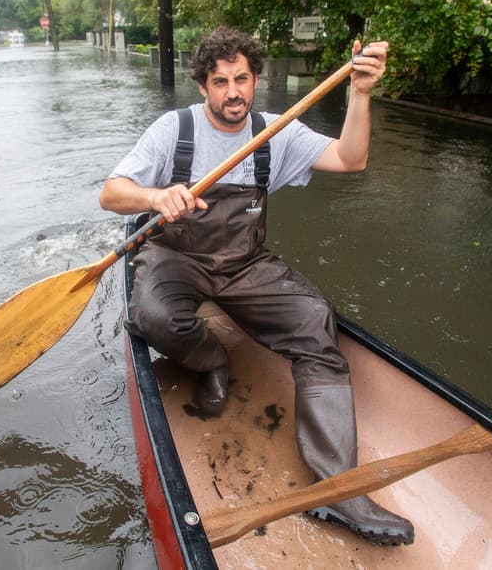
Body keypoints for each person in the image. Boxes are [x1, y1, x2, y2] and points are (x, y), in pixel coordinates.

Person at [98, 27, 414, 546]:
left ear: (256, 78)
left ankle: (337, 487)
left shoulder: (277, 131)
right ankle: (212, 359)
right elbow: (111, 195)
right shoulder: (171, 131)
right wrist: (156, 198)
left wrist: (360, 95)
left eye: (241, 78)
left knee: (316, 319)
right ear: (203, 87)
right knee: (153, 316)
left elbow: (350, 159)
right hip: (176, 256)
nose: (233, 92)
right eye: (220, 81)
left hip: (244, 263)